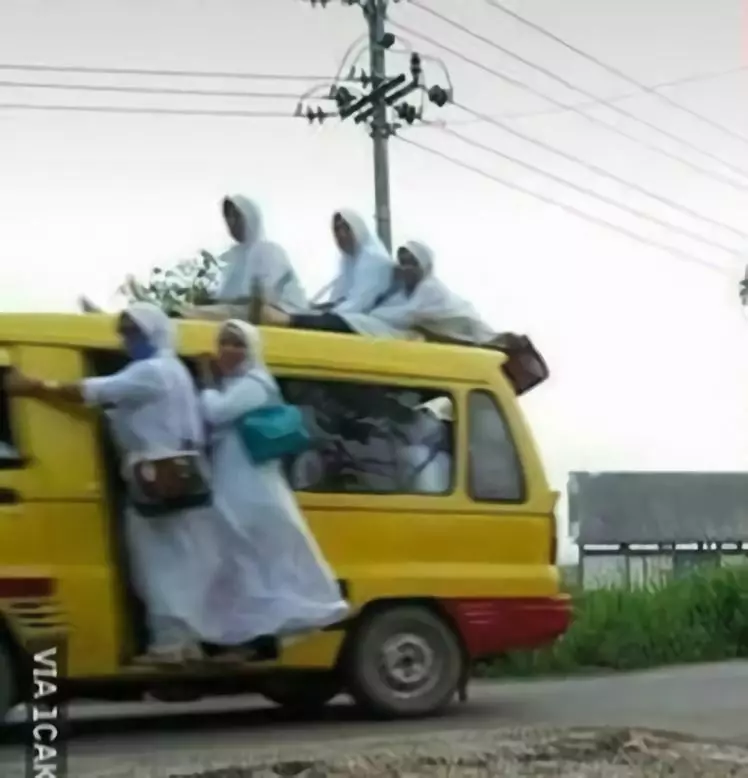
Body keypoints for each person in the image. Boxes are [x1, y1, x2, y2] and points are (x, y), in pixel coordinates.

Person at [4, 302, 223, 665]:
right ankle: (185, 642)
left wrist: (35, 386)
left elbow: (94, 390)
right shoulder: (173, 370)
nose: (126, 340)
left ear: (153, 331)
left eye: (133, 332)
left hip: (155, 478)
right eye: (124, 332)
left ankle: (169, 644)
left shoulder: (151, 371)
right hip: (180, 474)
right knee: (182, 561)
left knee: (156, 564)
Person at [196, 319, 350, 647]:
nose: (229, 350)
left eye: (238, 343)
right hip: (233, 477)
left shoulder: (254, 383)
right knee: (240, 555)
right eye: (224, 342)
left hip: (251, 483)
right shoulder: (234, 385)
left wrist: (207, 382)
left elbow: (216, 414)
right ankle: (248, 632)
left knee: (258, 552)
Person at [262, 239, 496, 344]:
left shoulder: (431, 291)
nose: (405, 268)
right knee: (353, 320)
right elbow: (389, 311)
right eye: (402, 262)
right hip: (401, 334)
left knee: (353, 322)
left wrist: (371, 317)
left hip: (409, 336)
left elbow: (407, 316)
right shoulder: (402, 292)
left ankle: (288, 320)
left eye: (411, 262)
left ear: (424, 266)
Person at [179, 195, 308, 321]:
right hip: (244, 311)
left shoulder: (269, 251)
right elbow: (227, 297)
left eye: (235, 216)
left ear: (249, 217)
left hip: (282, 312)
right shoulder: (233, 257)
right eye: (228, 217)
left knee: (230, 312)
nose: (230, 222)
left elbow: (262, 299)